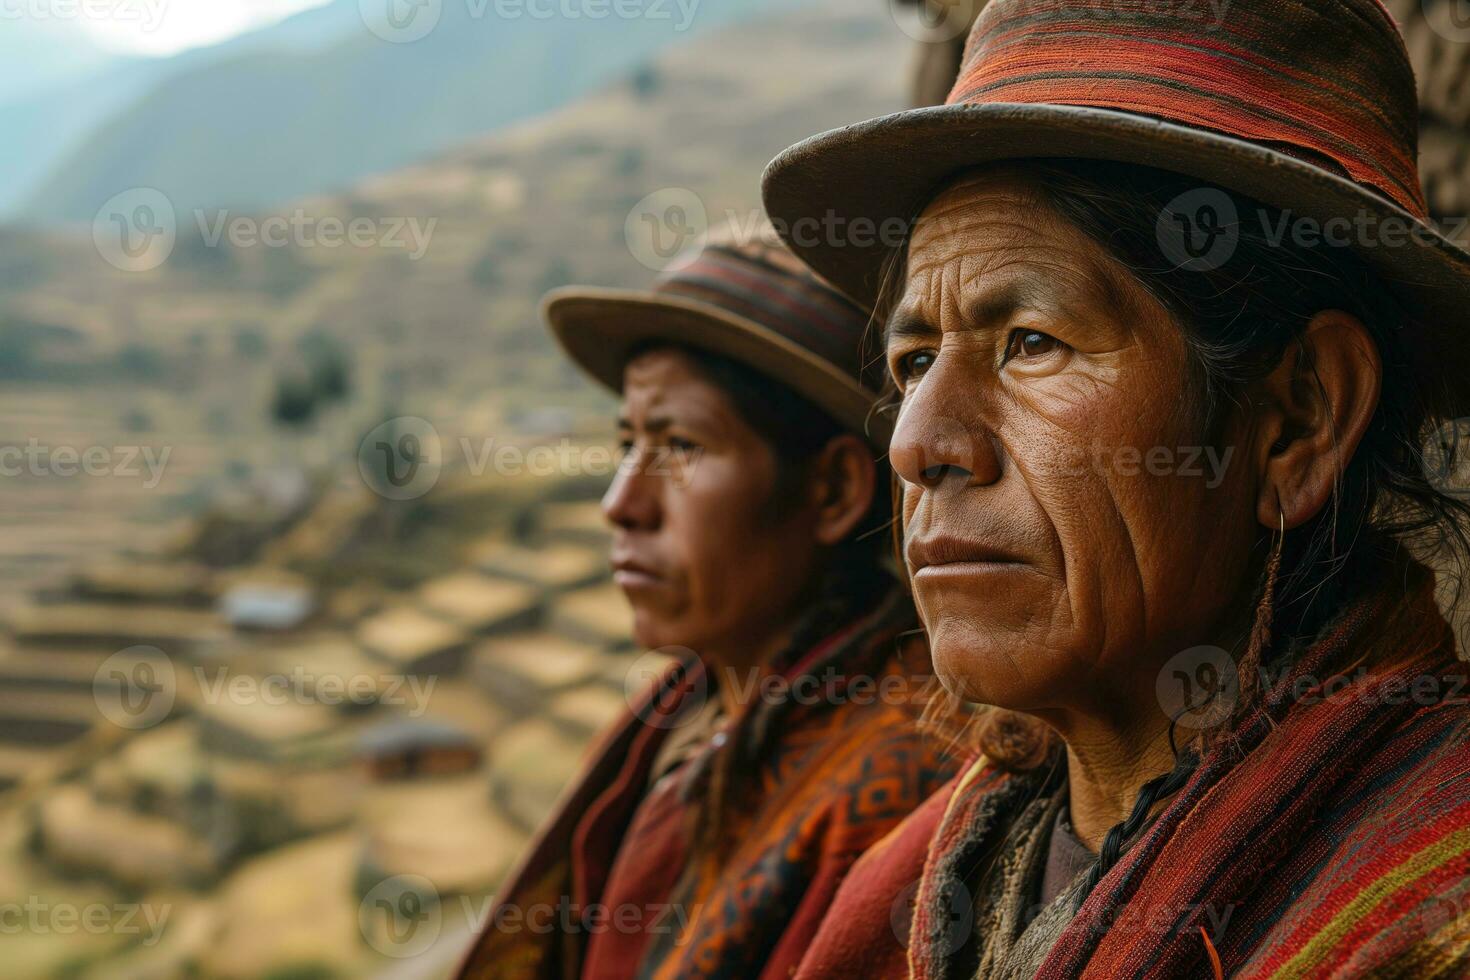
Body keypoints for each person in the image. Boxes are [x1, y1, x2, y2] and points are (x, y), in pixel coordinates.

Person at [760, 0, 1470, 975]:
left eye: (1033, 343)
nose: (920, 444)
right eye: (915, 359)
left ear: (1299, 418)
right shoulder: (911, 885)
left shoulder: (1434, 913)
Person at [455, 233, 960, 979]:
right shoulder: (691, 712)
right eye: (629, 442)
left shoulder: (904, 778)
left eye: (682, 446)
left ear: (832, 492)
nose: (620, 504)